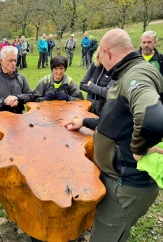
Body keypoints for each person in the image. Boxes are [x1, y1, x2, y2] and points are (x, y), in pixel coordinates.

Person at [65, 28, 163, 242]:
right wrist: (85, 121)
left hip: (125, 185)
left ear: (107, 53)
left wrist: (139, 148)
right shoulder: (132, 70)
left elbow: (153, 118)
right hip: (121, 180)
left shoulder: (136, 75)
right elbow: (119, 119)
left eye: (100, 57)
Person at [0, 46, 34, 114]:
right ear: (1, 61)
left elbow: (30, 95)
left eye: (15, 60)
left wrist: (17, 98)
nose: (13, 64)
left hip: (18, 119)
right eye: (10, 60)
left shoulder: (20, 78)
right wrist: (4, 102)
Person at [80, 47, 114, 116]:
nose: (101, 57)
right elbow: (82, 85)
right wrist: (100, 90)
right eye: (99, 54)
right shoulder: (94, 65)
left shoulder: (114, 71)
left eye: (103, 55)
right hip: (89, 106)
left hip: (104, 109)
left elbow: (107, 93)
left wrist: (91, 85)